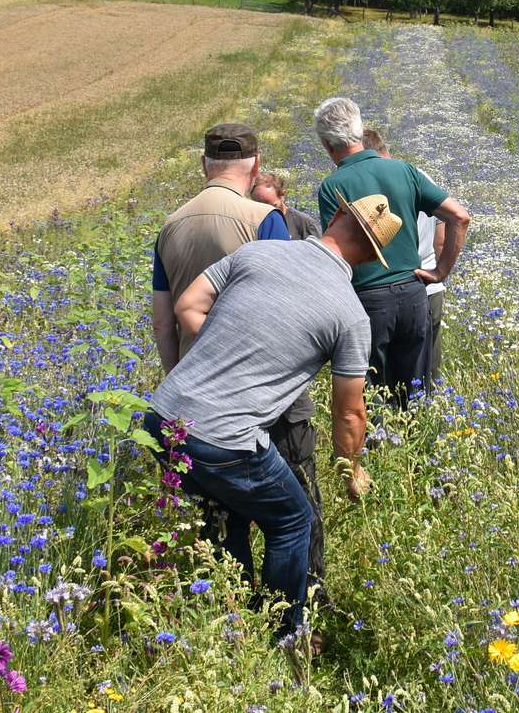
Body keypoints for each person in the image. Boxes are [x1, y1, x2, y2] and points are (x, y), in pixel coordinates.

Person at [144, 193, 390, 642]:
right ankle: (282, 634)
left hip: (164, 417)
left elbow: (186, 307)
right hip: (224, 439)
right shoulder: (350, 314)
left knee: (226, 514)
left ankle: (231, 624)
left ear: (334, 217)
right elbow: (350, 411)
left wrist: (226, 354)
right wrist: (352, 469)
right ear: (372, 259)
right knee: (292, 519)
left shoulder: (258, 252)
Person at [151, 125, 321, 589]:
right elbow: (288, 308)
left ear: (203, 165)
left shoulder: (171, 225)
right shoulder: (265, 219)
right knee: (296, 508)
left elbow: (164, 323)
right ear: (256, 166)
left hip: (200, 403)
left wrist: (182, 376)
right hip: (266, 391)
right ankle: (299, 611)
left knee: (222, 524)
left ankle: (234, 617)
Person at [315, 98, 470, 408]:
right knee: (415, 394)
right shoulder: (404, 170)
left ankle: (379, 455)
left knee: (372, 399)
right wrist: (440, 272)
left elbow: (337, 254)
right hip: (414, 293)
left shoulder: (333, 186)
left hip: (368, 300)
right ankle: (418, 451)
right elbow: (459, 217)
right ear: (359, 130)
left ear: (326, 143)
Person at [367, 131, 451, 387]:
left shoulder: (371, 183)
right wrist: (440, 271)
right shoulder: (418, 175)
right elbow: (441, 233)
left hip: (388, 289)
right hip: (429, 286)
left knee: (385, 377)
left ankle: (392, 426)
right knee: (425, 375)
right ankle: (423, 422)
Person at [252, 170, 322, 240]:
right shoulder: (252, 222)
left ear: (282, 195)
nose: (268, 211)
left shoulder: (304, 223)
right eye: (262, 206)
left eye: (273, 206)